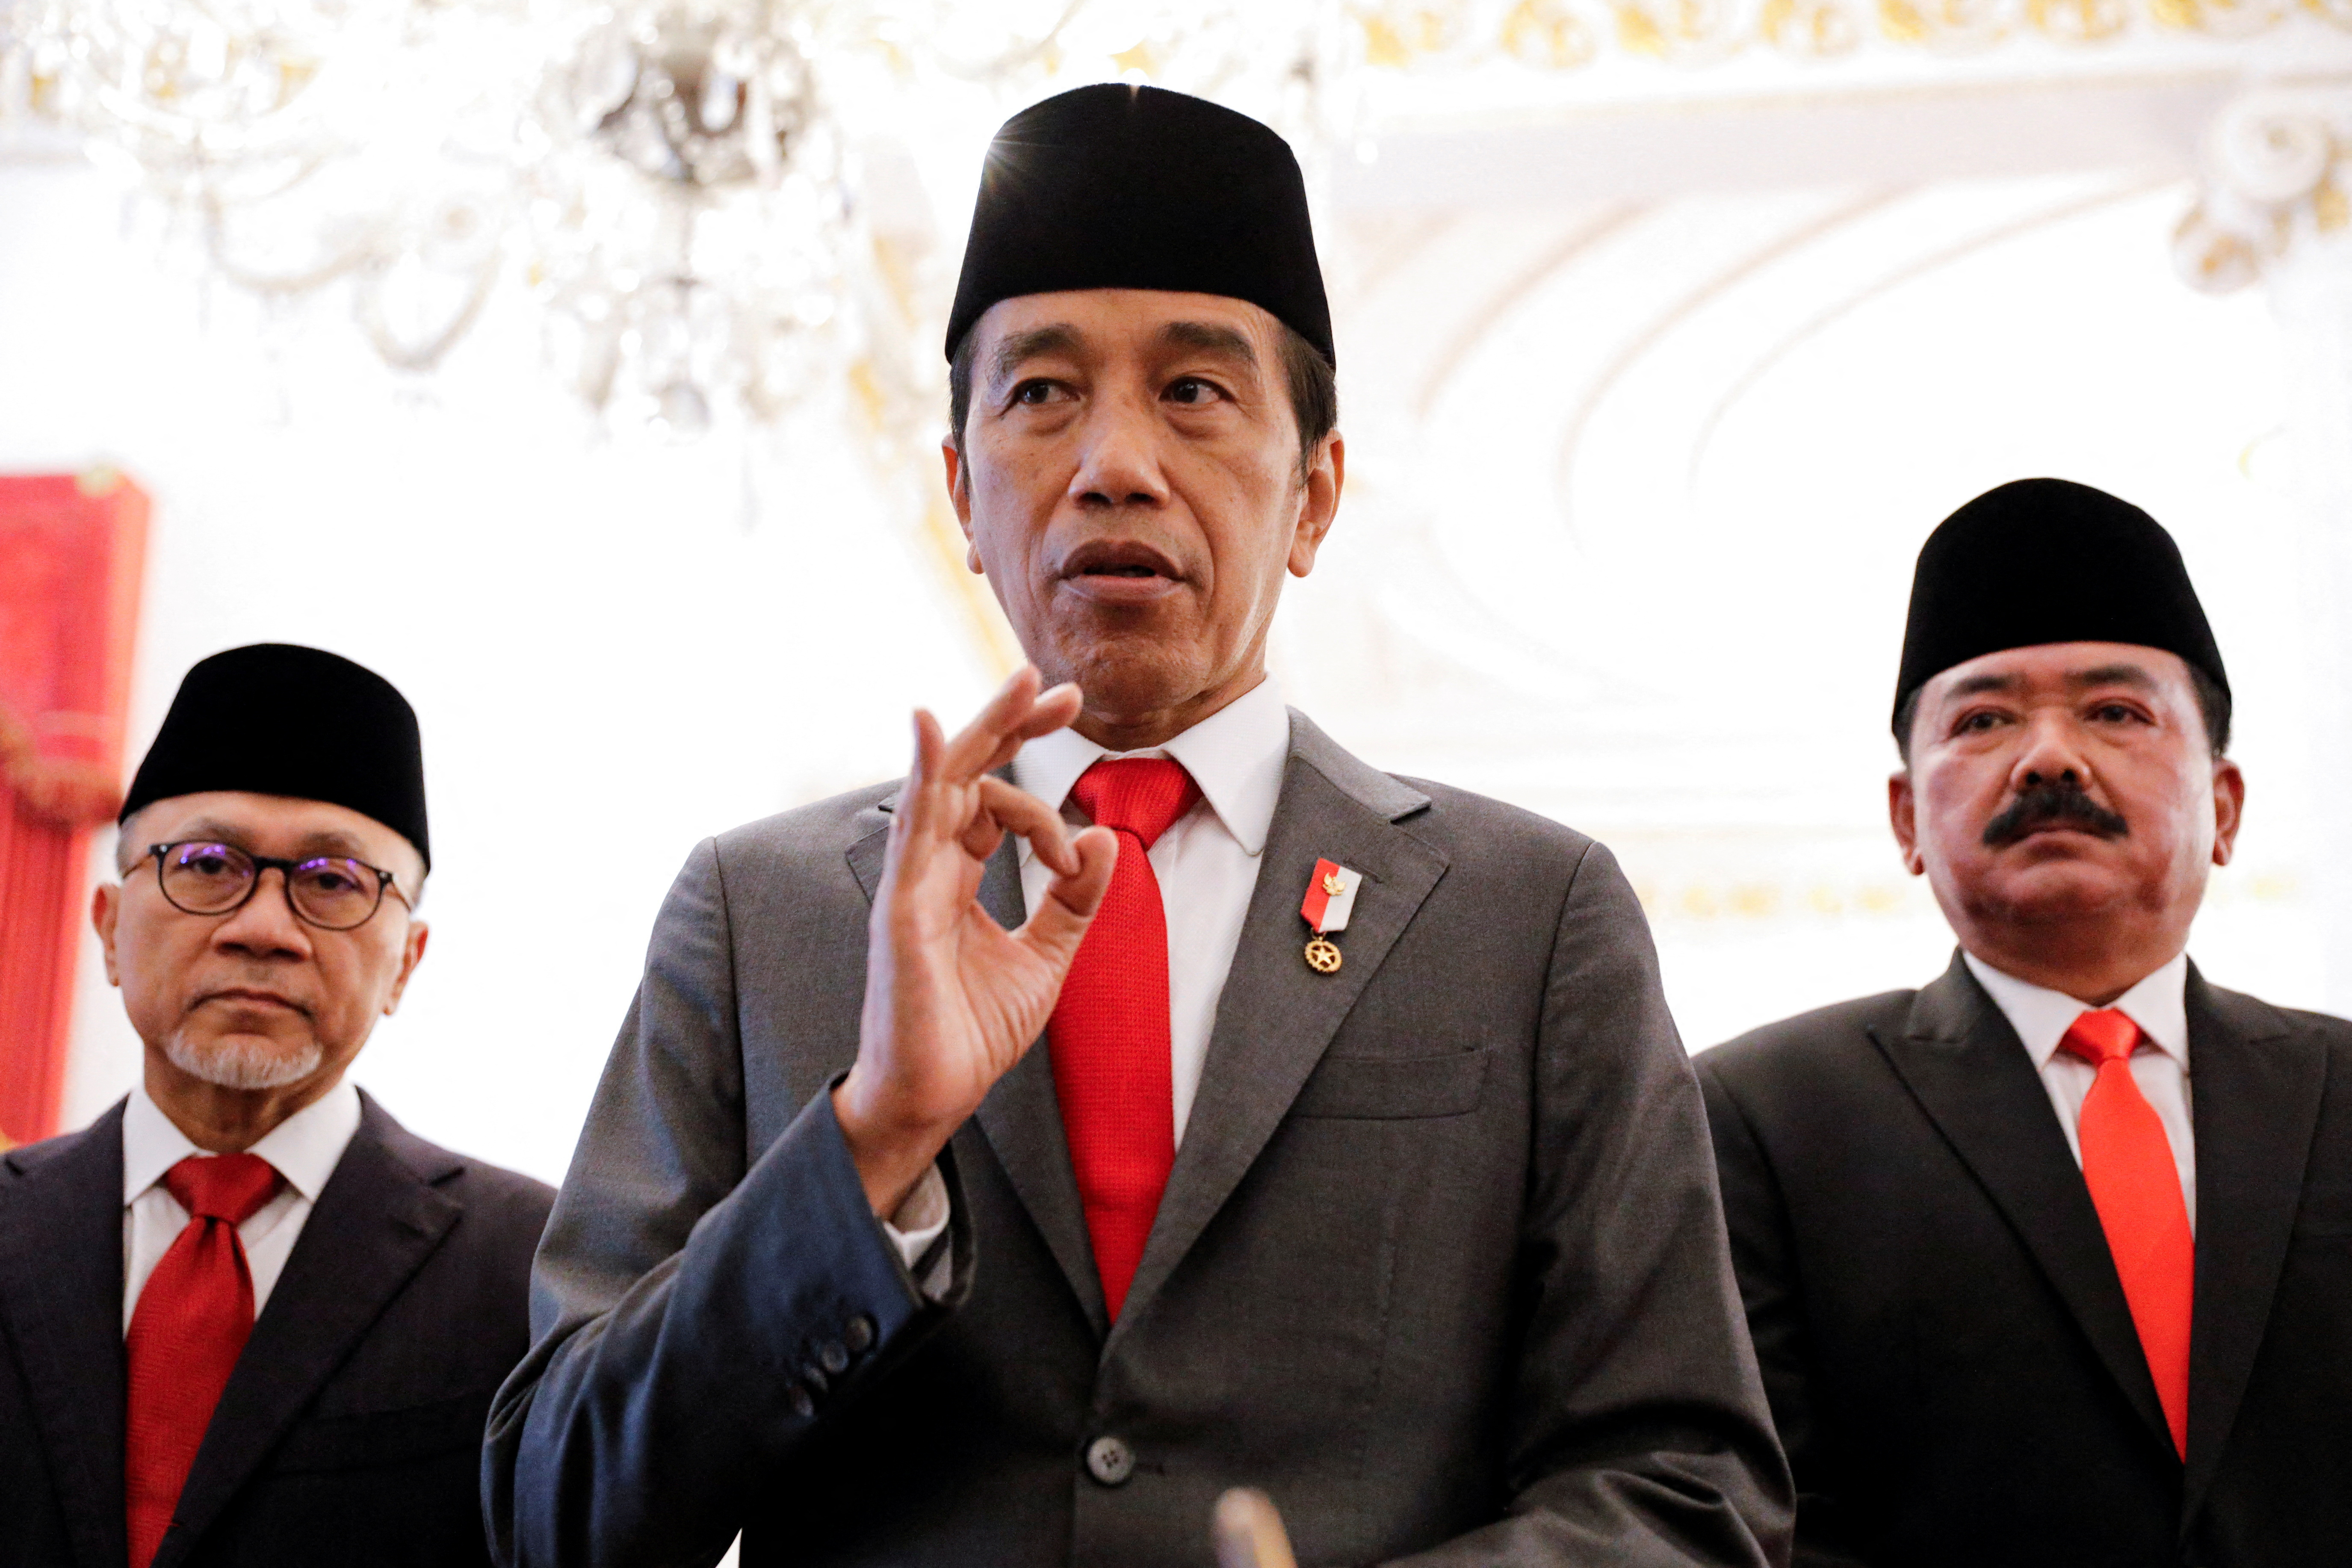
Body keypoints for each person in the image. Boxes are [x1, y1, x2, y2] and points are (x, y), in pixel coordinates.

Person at [486, 85, 1790, 1568]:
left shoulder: (1528, 915)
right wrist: (873, 1139)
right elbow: (558, 1508)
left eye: (1194, 391)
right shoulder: (760, 911)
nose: (1112, 459)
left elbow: (1686, 1488)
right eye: (1040, 392)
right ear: (963, 495)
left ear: (1317, 495)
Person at [1698, 478, 2352, 1567]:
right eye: (1984, 719)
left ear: (2224, 806)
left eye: (2115, 712)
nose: (2049, 758)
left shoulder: (2342, 1087)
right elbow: (1759, 1511)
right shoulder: (1760, 1116)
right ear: (1907, 817)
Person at [0, 643, 554, 1568]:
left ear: (405, 963)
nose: (263, 929)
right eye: (207, 864)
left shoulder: (529, 1267)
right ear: (108, 927)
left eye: (332, 882)